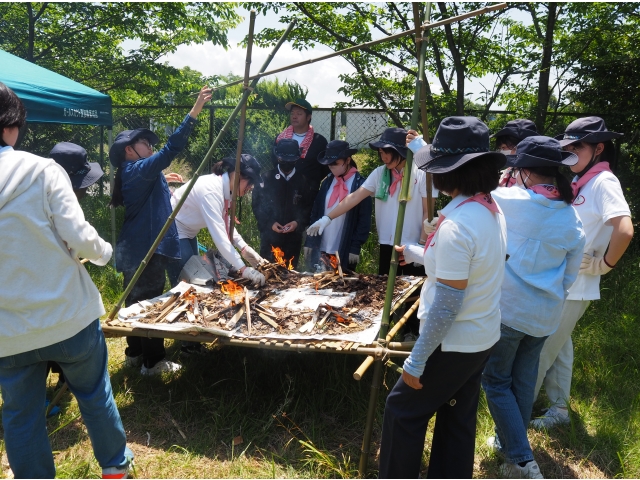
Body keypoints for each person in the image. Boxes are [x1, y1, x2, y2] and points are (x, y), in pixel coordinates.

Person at [0, 82, 133, 479]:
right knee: (94, 395)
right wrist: (105, 254)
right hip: (68, 317)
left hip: (9, 331)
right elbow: (78, 237)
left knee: (21, 417)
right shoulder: (42, 169)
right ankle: (115, 468)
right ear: (14, 123)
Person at [378, 117, 507, 479]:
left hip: (452, 342)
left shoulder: (458, 225)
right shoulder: (487, 209)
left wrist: (417, 360)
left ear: (450, 174)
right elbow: (472, 265)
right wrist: (420, 254)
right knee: (457, 415)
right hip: (482, 336)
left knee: (403, 410)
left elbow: (449, 302)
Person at [481, 136, 585, 479]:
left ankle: (522, 459)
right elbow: (569, 277)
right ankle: (509, 441)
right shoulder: (572, 218)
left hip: (509, 311)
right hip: (544, 315)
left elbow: (477, 196)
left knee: (495, 381)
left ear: (523, 171)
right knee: (524, 384)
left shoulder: (510, 199)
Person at [532, 117, 634, 428]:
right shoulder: (584, 182)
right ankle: (560, 410)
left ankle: (511, 423)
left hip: (575, 284)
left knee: (538, 354)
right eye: (568, 146)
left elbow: (624, 229)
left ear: (598, 148)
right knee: (560, 347)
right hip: (562, 281)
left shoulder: (604, 182)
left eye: (578, 146)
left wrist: (605, 264)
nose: (571, 152)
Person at [109, 85, 212, 375]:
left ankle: (134, 353)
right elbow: (171, 149)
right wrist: (194, 112)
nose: (150, 147)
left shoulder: (134, 172)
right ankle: (153, 362)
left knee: (135, 299)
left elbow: (148, 175)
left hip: (135, 247)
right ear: (129, 150)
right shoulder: (137, 169)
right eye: (144, 143)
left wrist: (162, 178)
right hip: (147, 249)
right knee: (151, 301)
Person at [307, 127, 430, 277]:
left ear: (399, 151)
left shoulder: (422, 173)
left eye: (386, 152)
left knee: (414, 294)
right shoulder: (380, 173)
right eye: (380, 153)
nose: (382, 157)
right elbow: (354, 197)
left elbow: (427, 211)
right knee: (387, 291)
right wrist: (327, 218)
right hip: (387, 244)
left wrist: (422, 245)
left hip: (413, 245)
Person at [168, 154, 266, 288]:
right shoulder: (211, 191)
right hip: (174, 229)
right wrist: (244, 270)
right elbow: (220, 237)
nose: (251, 187)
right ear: (237, 175)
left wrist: (245, 248)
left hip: (189, 231)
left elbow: (227, 221)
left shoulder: (226, 190)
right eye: (250, 182)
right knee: (186, 281)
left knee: (193, 275)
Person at [303, 139, 371, 270]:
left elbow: (364, 219)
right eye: (329, 163)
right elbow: (316, 211)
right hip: (322, 246)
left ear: (347, 160)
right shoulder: (327, 182)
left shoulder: (360, 185)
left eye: (335, 163)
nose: (331, 166)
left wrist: (355, 246)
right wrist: (310, 240)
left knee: (342, 286)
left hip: (343, 247)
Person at [252, 139, 314, 270]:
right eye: (283, 159)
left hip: (293, 239)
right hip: (269, 238)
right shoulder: (266, 179)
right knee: (268, 273)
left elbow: (308, 208)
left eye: (290, 160)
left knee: (290, 276)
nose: (286, 163)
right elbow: (257, 205)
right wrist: (270, 223)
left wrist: (297, 223)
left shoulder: (303, 181)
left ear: (297, 158)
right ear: (277, 157)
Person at [273, 98, 328, 194]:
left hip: (308, 192)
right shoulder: (281, 139)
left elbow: (325, 168)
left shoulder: (319, 141)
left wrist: (311, 181)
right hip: (283, 189)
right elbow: (274, 160)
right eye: (292, 113)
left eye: (299, 114)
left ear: (308, 117)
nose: (294, 116)